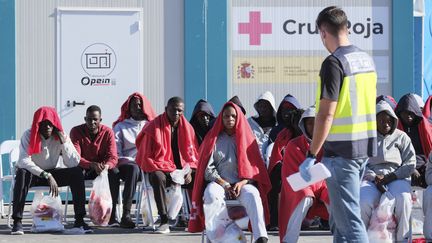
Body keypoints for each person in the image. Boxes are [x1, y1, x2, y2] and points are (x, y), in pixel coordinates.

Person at [299, 6, 378, 242]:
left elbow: (326, 115)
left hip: (341, 154)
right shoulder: (365, 60)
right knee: (340, 223)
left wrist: (311, 154)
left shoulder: (334, 63)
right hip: (362, 150)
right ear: (347, 28)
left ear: (324, 33)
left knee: (350, 224)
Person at [188, 102, 271, 243]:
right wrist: (225, 184)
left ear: (238, 117)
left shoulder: (248, 139)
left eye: (233, 116)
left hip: (242, 184)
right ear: (221, 118)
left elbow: (254, 169)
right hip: (219, 183)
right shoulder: (213, 139)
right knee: (211, 195)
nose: (230, 119)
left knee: (253, 195)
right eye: (226, 116)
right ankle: (216, 236)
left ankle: (260, 237)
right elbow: (208, 170)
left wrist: (242, 182)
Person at [12, 107, 90, 235]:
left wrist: (64, 143)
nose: (47, 127)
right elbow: (23, 161)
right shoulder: (28, 134)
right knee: (21, 172)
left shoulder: (60, 135)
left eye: (50, 123)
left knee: (76, 172)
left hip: (52, 173)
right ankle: (17, 222)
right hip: (34, 173)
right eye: (43, 123)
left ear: (54, 124)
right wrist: (46, 175)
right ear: (38, 124)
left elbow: (73, 162)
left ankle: (80, 220)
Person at [135, 96, 198, 234]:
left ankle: (198, 219)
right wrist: (170, 171)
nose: (176, 114)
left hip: (181, 171)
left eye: (180, 111)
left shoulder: (188, 128)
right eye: (173, 110)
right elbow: (146, 157)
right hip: (160, 169)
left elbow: (193, 155)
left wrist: (189, 170)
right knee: (158, 177)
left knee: (200, 176)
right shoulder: (153, 127)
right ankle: (164, 221)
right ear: (166, 109)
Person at [360, 100, 415, 241]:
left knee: (404, 199)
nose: (386, 124)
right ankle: (363, 238)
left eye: (389, 120)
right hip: (371, 179)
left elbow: (410, 163)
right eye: (381, 120)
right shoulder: (366, 138)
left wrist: (393, 176)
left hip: (397, 178)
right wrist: (373, 176)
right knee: (363, 200)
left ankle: (403, 239)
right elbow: (360, 163)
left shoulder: (402, 137)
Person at [279, 106, 329, 243]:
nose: (313, 126)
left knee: (334, 196)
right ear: (303, 125)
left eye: (317, 122)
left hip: (324, 185)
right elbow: (291, 178)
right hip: (301, 186)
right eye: (309, 123)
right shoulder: (293, 145)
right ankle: (290, 239)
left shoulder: (329, 144)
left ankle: (341, 237)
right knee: (304, 196)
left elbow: (332, 171)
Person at [111, 92, 156, 228]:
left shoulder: (151, 125)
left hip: (147, 164)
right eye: (133, 105)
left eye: (139, 105)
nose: (137, 108)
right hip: (127, 164)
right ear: (128, 108)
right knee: (133, 168)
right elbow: (117, 152)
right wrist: (132, 160)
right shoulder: (120, 126)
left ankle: (166, 215)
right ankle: (126, 213)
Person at [70, 105, 119, 225]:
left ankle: (111, 216)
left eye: (95, 119)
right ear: (85, 119)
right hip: (86, 167)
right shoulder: (76, 131)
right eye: (89, 119)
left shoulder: (108, 132)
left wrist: (106, 166)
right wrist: (91, 165)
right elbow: (76, 157)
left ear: (100, 120)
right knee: (75, 173)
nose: (92, 122)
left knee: (115, 172)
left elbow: (113, 156)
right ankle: (80, 217)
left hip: (103, 169)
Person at [266, 94, 303, 230]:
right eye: (284, 109)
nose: (287, 113)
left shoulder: (309, 132)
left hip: (305, 172)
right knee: (276, 180)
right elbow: (275, 155)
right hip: (285, 170)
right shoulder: (280, 132)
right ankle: (276, 221)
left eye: (291, 109)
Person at [395, 93, 432, 188]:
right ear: (399, 114)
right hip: (403, 166)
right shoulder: (395, 129)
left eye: (411, 113)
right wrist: (411, 169)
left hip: (424, 166)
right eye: (405, 113)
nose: (409, 117)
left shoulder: (424, 127)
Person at [247, 91, 277, 162]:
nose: (263, 109)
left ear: (272, 107)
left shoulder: (277, 125)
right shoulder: (249, 123)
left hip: (271, 165)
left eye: (266, 106)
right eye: (260, 106)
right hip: (252, 163)